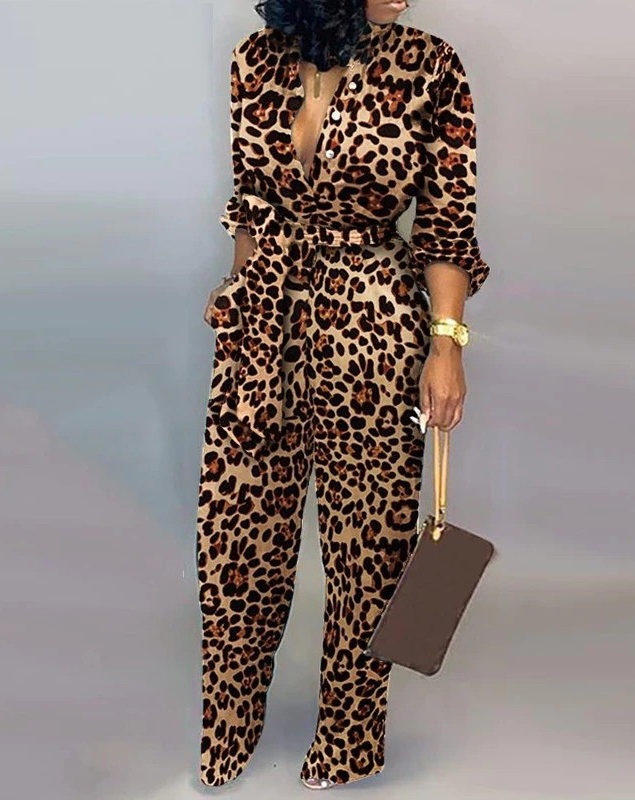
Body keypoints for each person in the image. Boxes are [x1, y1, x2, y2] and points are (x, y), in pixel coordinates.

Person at [197, 0, 491, 789]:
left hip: (373, 322)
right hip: (263, 319)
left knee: (368, 547)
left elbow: (447, 226)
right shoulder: (254, 60)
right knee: (235, 533)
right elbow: (250, 201)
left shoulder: (431, 66)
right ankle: (229, 727)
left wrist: (447, 345)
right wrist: (234, 287)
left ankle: (349, 740)